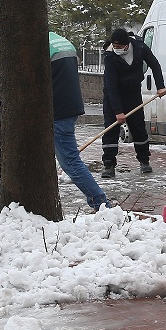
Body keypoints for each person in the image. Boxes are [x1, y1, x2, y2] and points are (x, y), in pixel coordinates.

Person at [49, 31, 110, 212]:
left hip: (57, 111)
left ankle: (100, 203)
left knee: (70, 162)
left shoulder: (34, 45)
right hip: (70, 105)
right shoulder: (60, 41)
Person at [100, 28, 166, 178]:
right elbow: (111, 86)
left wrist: (160, 86)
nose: (116, 49)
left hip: (133, 94)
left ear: (127, 44)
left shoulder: (140, 47)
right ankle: (109, 164)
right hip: (113, 96)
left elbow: (155, 65)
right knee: (111, 131)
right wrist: (118, 112)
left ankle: (144, 161)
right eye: (114, 46)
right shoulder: (110, 56)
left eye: (119, 47)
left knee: (138, 129)